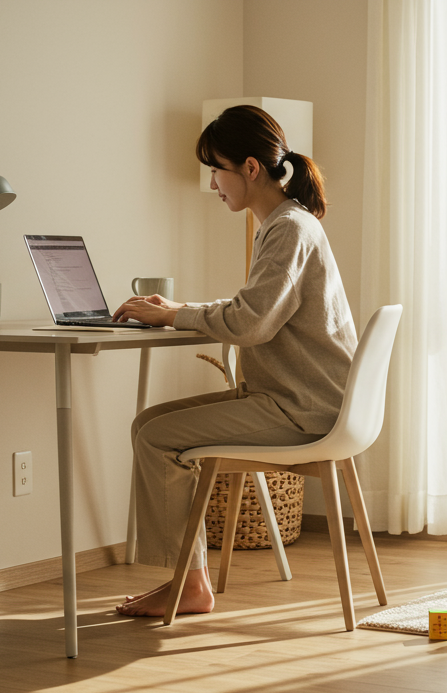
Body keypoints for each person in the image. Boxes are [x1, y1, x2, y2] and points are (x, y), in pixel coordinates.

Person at [113, 105, 357, 617]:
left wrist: (176, 316)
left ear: (249, 168)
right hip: (301, 400)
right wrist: (179, 311)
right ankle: (188, 578)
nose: (212, 183)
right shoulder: (287, 224)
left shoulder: (288, 228)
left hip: (300, 409)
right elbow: (259, 311)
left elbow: (250, 323)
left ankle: (188, 584)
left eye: (216, 169)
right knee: (147, 425)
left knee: (157, 439)